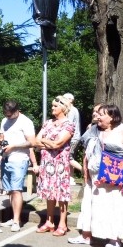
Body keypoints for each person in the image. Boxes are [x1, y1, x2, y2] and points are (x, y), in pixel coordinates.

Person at [68, 104, 123, 247]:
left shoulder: (122, 130)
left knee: (112, 204)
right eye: (97, 114)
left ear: (112, 117)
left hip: (112, 176)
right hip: (93, 175)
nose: (97, 116)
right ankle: (86, 235)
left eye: (101, 114)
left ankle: (115, 239)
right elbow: (87, 150)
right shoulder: (92, 130)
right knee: (89, 203)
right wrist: (85, 170)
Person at [33, 96, 75, 237]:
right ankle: (49, 222)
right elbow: (35, 142)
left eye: (55, 106)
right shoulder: (48, 123)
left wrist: (45, 141)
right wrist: (48, 142)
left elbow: (58, 144)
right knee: (49, 192)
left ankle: (62, 224)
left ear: (63, 107)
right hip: (47, 162)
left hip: (60, 163)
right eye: (51, 106)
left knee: (61, 194)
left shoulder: (68, 124)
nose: (52, 108)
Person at [0, 101, 38, 232]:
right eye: (5, 114)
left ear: (16, 111)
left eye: (9, 115)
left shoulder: (26, 122)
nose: (7, 117)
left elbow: (32, 142)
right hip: (5, 158)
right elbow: (2, 136)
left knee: (16, 189)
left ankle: (16, 221)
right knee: (9, 189)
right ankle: (13, 218)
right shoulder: (4, 121)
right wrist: (0, 142)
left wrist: (14, 146)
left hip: (19, 159)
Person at [64, 93, 83, 179]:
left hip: (72, 138)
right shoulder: (73, 110)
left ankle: (84, 170)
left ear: (71, 100)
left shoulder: (71, 110)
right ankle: (70, 177)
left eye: (65, 99)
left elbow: (68, 124)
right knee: (70, 157)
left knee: (68, 157)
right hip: (74, 137)